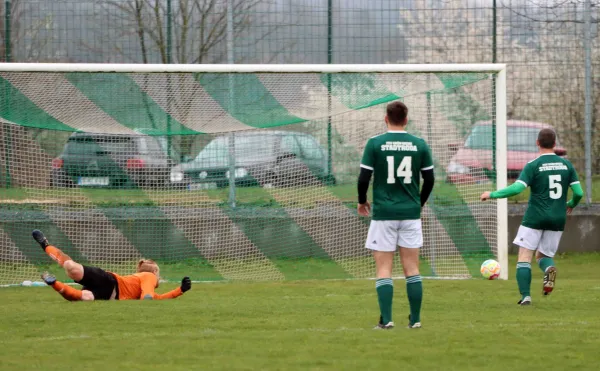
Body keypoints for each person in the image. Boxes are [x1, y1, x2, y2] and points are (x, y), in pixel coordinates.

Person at [480, 128, 583, 305]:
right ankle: (549, 268)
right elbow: (579, 193)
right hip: (557, 218)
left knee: (525, 256)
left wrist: (492, 194)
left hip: (535, 217)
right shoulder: (566, 165)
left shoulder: (533, 165)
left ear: (537, 143)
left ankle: (526, 296)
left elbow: (517, 189)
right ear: (555, 144)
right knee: (542, 256)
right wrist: (571, 204)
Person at [357, 101, 435, 329]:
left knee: (384, 269)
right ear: (406, 119)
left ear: (385, 118)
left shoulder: (375, 144)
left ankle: (387, 320)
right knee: (412, 268)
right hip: (410, 214)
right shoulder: (419, 144)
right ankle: (416, 320)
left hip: (384, 215)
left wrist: (362, 201)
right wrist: (418, 204)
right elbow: (429, 180)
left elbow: (363, 179)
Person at [32, 230, 192, 301]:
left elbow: (158, 298)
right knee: (71, 267)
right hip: (108, 280)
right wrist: (147, 300)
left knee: (85, 297)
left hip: (109, 295)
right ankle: (46, 245)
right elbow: (148, 296)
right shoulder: (148, 277)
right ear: (155, 272)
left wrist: (181, 290)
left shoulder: (141, 284)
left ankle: (53, 283)